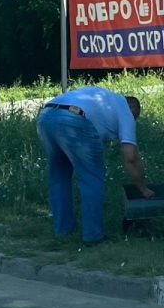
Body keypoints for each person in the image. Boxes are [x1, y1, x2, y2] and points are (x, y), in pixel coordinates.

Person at [36, 84, 154, 244]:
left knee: (59, 177)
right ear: (133, 109)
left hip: (46, 115)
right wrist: (143, 188)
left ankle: (63, 230)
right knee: (91, 178)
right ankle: (93, 235)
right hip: (75, 119)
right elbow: (131, 157)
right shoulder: (126, 110)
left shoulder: (104, 96)